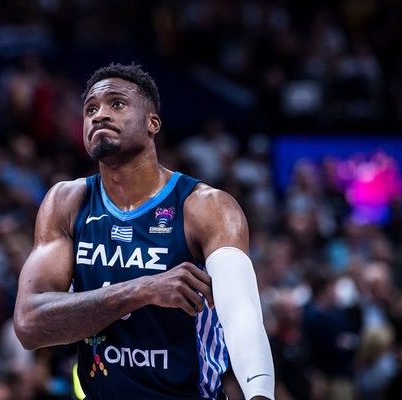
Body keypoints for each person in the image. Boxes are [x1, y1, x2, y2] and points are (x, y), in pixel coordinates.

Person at [14, 63, 274, 399]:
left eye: (117, 104)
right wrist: (142, 289)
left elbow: (242, 316)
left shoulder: (205, 206)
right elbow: (30, 324)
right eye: (91, 109)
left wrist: (260, 393)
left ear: (153, 123)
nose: (100, 115)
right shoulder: (67, 202)